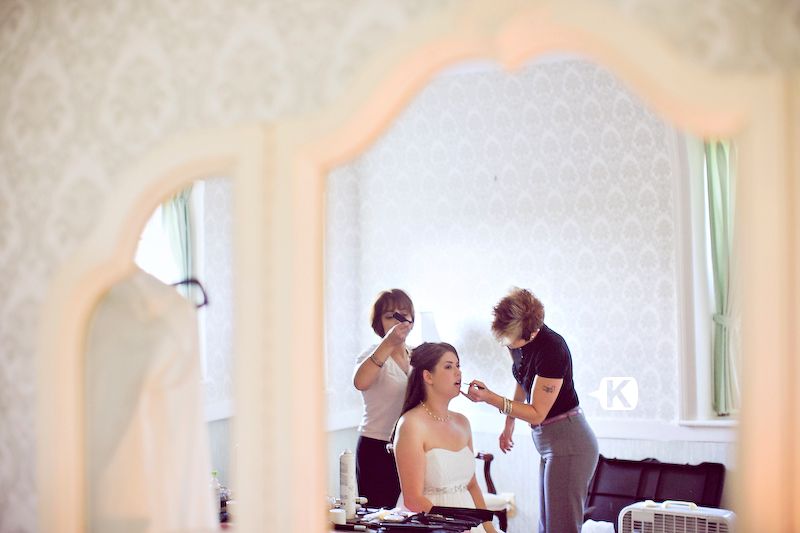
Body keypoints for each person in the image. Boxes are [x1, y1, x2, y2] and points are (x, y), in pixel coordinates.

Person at [465, 287, 598, 533]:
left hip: (569, 442)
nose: (506, 344)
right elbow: (522, 377)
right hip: (549, 442)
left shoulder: (553, 349)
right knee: (546, 526)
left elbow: (537, 412)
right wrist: (509, 423)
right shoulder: (518, 342)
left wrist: (490, 398)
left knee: (560, 528)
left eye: (510, 339)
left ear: (532, 333)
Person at [393, 342, 500, 533]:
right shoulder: (411, 424)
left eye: (458, 366)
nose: (458, 372)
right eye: (449, 367)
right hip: (431, 523)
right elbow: (413, 499)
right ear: (428, 376)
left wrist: (488, 527)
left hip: (469, 522)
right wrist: (454, 526)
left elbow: (472, 485)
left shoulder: (462, 422)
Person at [352, 289, 415, 508]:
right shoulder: (369, 355)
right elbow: (360, 382)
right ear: (379, 323)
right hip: (376, 447)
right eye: (390, 316)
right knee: (379, 516)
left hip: (410, 445)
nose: (398, 321)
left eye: (403, 314)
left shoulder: (417, 356)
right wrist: (389, 343)